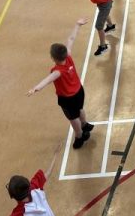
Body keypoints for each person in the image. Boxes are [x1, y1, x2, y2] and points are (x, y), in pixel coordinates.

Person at [26, 18, 95, 149]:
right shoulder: (68, 56)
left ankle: (80, 135)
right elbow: (71, 39)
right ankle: (85, 124)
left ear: (53, 58)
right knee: (80, 109)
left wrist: (35, 88)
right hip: (79, 91)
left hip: (67, 99)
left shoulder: (57, 71)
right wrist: (77, 25)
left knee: (73, 118)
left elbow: (47, 80)